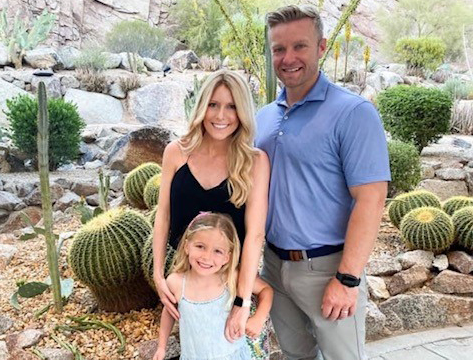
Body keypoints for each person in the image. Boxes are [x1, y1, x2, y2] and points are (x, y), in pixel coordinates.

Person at [228, 4, 390, 360]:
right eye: (278, 49)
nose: (288, 58)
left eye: (299, 46)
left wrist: (347, 279)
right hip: (274, 266)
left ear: (321, 47)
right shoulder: (265, 118)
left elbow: (371, 199)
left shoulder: (353, 113)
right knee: (295, 355)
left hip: (327, 268)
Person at [151, 69, 271, 349]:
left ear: (242, 112)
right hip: (188, 268)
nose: (220, 116)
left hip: (231, 280)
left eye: (231, 107)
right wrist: (158, 274)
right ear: (201, 107)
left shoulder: (255, 162)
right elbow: (163, 215)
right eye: (213, 105)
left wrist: (242, 301)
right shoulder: (175, 152)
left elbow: (255, 234)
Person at [153, 212, 273, 360]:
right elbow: (169, 312)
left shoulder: (231, 278)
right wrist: (161, 347)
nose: (206, 257)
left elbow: (265, 290)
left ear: (227, 257)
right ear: (186, 246)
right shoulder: (176, 282)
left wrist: (258, 318)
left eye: (217, 251)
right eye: (200, 246)